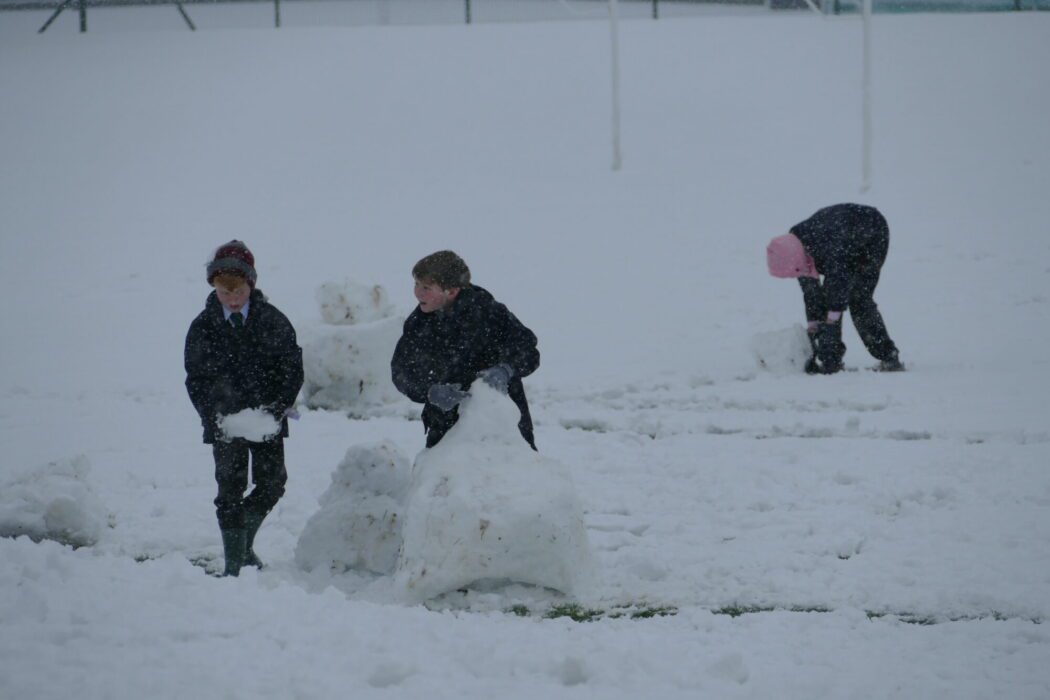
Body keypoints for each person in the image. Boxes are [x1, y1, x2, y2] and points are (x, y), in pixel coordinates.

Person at [184, 240, 304, 576]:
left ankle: (244, 544)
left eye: (239, 291)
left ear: (252, 283)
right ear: (214, 287)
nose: (233, 299)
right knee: (229, 491)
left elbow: (292, 367)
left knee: (272, 483)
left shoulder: (273, 321)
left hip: (266, 420)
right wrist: (214, 416)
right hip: (225, 424)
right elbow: (196, 379)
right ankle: (234, 562)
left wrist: (277, 407)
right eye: (225, 292)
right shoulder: (203, 327)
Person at [391, 250, 540, 449]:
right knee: (450, 477)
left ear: (452, 291)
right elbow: (402, 371)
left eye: (426, 287)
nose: (418, 292)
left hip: (503, 423)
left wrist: (506, 370)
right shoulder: (419, 324)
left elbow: (528, 349)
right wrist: (430, 391)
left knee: (513, 476)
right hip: (445, 426)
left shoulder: (489, 313)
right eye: (416, 284)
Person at [767, 203, 904, 374]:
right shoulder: (792, 247)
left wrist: (830, 322)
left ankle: (888, 356)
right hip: (841, 234)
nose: (797, 275)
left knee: (858, 299)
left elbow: (838, 284)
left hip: (870, 233)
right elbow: (811, 294)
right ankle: (832, 360)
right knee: (827, 302)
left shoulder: (832, 247)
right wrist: (813, 327)